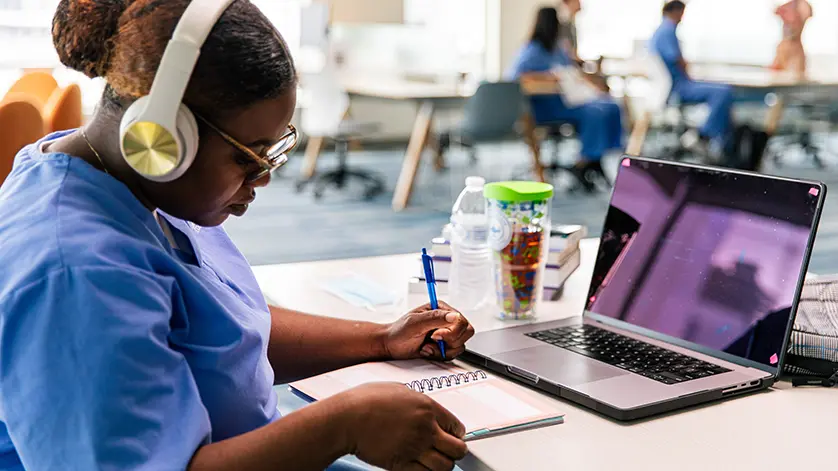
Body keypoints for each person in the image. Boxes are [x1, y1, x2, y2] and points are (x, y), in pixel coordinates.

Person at [0, 1, 475, 471]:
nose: (264, 178)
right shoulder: (72, 272)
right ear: (161, 139)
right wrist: (343, 425)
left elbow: (223, 334)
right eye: (248, 157)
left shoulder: (145, 190)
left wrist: (380, 339)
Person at [508, 6, 623, 190]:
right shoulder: (532, 49)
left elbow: (571, 71)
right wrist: (549, 76)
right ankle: (584, 162)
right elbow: (515, 78)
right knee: (596, 112)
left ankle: (595, 158)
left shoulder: (559, 48)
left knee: (610, 105)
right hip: (544, 106)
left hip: (566, 100)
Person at [650, 0, 734, 153]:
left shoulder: (659, 31)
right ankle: (704, 135)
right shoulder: (667, 30)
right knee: (723, 92)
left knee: (721, 92)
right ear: (675, 11)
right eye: (682, 13)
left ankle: (720, 142)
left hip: (672, 85)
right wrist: (690, 73)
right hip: (678, 87)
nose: (682, 17)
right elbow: (676, 59)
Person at [770, 0, 813, 76]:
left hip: (794, 50)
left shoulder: (803, 5)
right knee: (774, 75)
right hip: (782, 49)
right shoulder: (788, 6)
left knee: (796, 78)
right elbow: (776, 11)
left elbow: (808, 14)